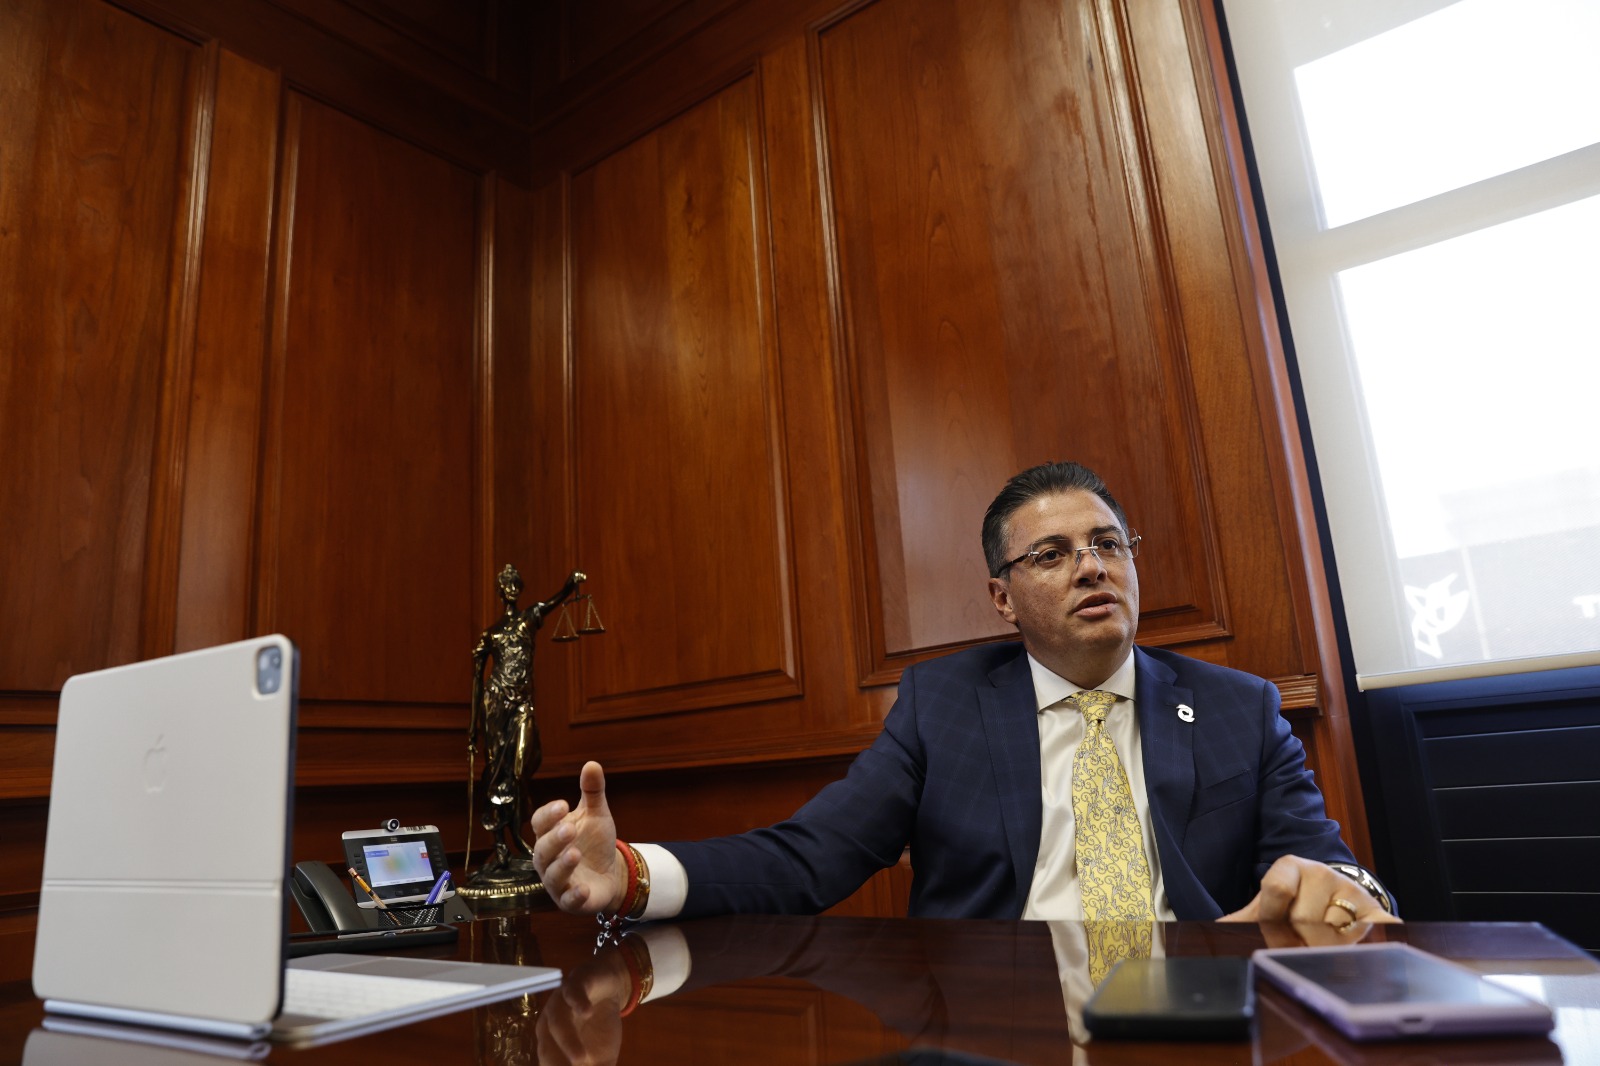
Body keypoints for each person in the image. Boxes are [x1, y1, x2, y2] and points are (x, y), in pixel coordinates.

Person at [531, 462, 1397, 927]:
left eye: (1107, 544)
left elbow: (1324, 859)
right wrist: (633, 874)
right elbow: (812, 857)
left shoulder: (1236, 707)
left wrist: (1351, 895)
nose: (1092, 566)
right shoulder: (942, 704)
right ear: (1001, 597)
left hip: (1204, 1010)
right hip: (995, 1025)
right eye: (1051, 554)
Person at [468, 564, 584, 884]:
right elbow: (477, 680)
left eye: (515, 583)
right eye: (505, 584)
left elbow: (550, 603)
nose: (510, 588)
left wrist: (567, 585)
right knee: (495, 771)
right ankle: (501, 845)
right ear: (499, 590)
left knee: (519, 770)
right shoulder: (490, 633)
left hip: (522, 705)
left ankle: (518, 839)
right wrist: (472, 728)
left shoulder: (528, 618)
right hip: (494, 704)